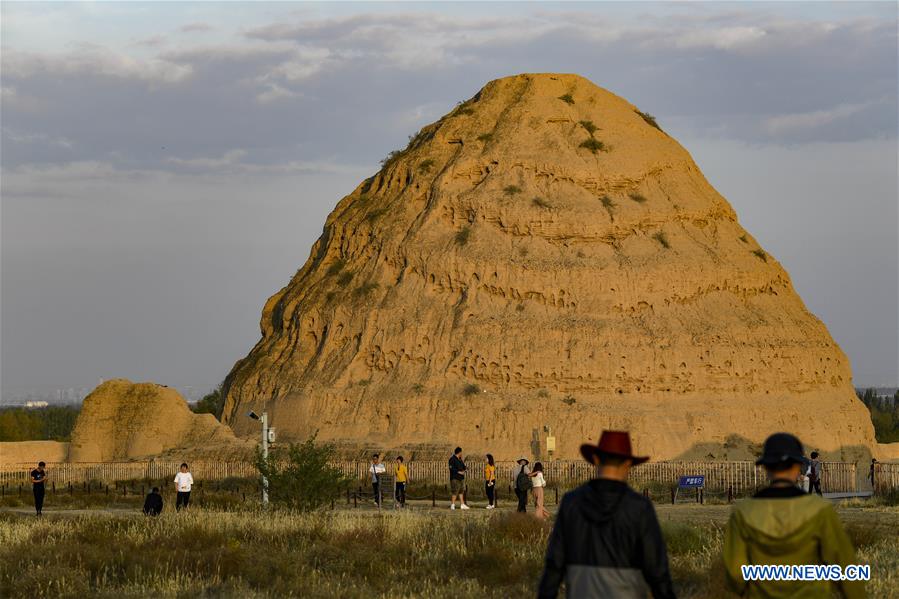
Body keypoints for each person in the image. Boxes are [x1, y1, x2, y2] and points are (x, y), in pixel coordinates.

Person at [724, 433, 862, 599]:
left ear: (766, 467)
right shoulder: (820, 510)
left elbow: (734, 573)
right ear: (798, 466)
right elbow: (845, 566)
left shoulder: (742, 512)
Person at [538, 430, 674, 599]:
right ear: (628, 464)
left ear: (595, 460)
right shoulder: (640, 507)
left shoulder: (570, 502)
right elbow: (657, 571)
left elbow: (554, 565)